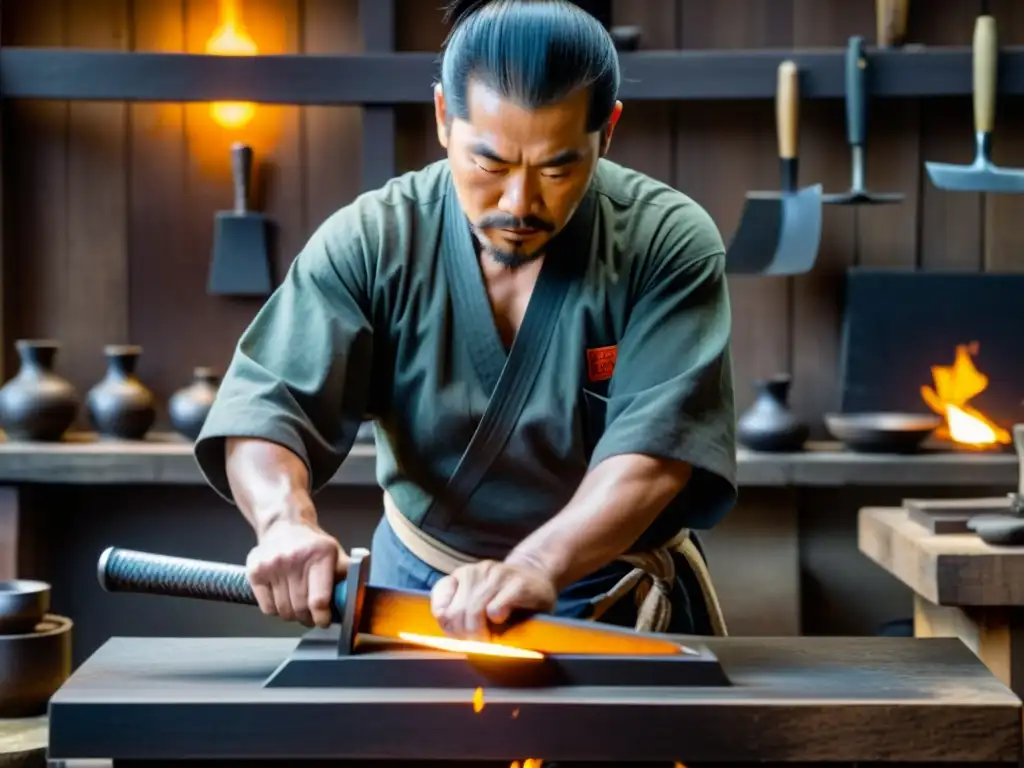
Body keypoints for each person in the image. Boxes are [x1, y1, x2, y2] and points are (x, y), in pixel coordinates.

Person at [194, 0, 737, 643]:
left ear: (608, 131)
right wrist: (285, 522)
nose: (519, 202)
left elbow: (654, 455)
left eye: (559, 168)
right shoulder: (375, 239)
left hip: (607, 602)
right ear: (444, 118)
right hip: (413, 602)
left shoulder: (665, 241)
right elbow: (268, 405)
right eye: (491, 164)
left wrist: (536, 565)